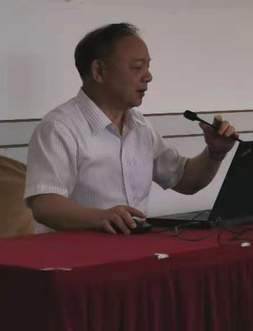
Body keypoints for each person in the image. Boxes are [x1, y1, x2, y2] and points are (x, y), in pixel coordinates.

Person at [25, 23, 237, 234]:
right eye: (137, 67)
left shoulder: (140, 125)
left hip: (135, 247)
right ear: (99, 71)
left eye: (148, 67)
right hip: (77, 251)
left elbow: (185, 181)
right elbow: (45, 205)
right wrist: (101, 217)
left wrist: (214, 153)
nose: (148, 76)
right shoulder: (59, 127)